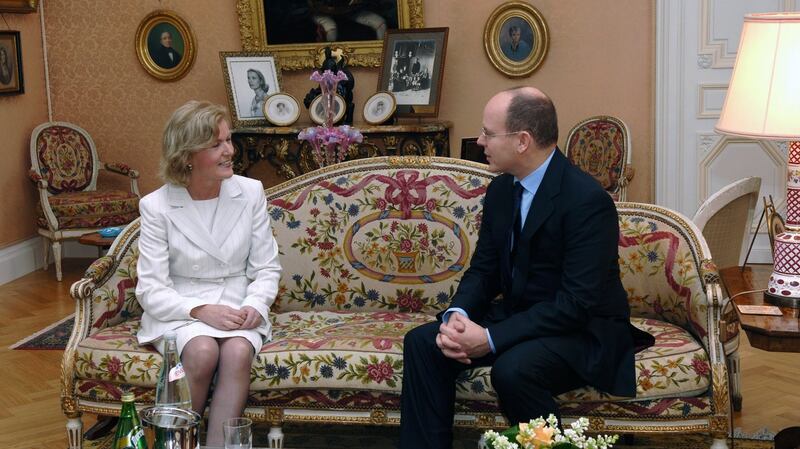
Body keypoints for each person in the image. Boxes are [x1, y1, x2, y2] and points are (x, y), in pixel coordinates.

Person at [399, 87, 653, 449]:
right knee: (424, 342)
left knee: (514, 370)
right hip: (521, 316)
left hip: (581, 330)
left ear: (522, 141)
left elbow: (576, 304)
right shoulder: (502, 190)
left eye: (489, 133)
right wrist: (458, 316)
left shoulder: (586, 201)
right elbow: (484, 270)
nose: (480, 140)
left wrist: (487, 339)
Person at [136, 100, 282, 447]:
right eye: (216, 144)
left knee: (236, 353)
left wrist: (255, 306)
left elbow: (266, 267)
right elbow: (151, 288)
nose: (229, 150)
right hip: (182, 307)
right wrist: (199, 310)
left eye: (228, 140)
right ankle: (173, 443)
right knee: (202, 353)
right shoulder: (156, 206)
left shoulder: (250, 192)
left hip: (237, 303)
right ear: (187, 155)